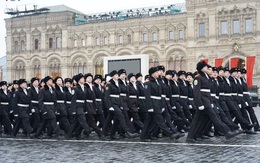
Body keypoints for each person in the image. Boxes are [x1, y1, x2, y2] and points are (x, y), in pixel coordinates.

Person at [186, 61, 239, 143]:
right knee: (214, 117)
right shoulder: (198, 77)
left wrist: (210, 101)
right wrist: (199, 104)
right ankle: (227, 132)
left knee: (198, 120)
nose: (207, 68)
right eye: (205, 67)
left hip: (207, 100)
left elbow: (209, 92)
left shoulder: (206, 77)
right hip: (203, 102)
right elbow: (196, 92)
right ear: (201, 68)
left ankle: (192, 136)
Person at [140, 67, 184, 142]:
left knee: (149, 121)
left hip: (158, 104)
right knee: (160, 121)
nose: (158, 73)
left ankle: (144, 136)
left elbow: (160, 96)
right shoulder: (148, 83)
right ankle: (171, 134)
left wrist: (162, 106)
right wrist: (150, 107)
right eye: (156, 72)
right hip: (153, 104)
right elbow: (147, 96)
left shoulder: (157, 82)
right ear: (152, 74)